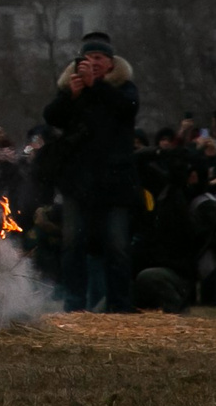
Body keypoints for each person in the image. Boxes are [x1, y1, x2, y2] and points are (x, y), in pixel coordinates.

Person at [39, 31, 140, 312]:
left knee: (117, 245)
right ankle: (74, 303)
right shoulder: (73, 90)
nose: (93, 63)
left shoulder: (123, 88)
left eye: (99, 58)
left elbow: (126, 109)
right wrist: (71, 96)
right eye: (88, 58)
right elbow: (51, 117)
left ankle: (119, 304)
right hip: (78, 181)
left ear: (111, 63)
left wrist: (96, 87)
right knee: (73, 243)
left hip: (115, 181)